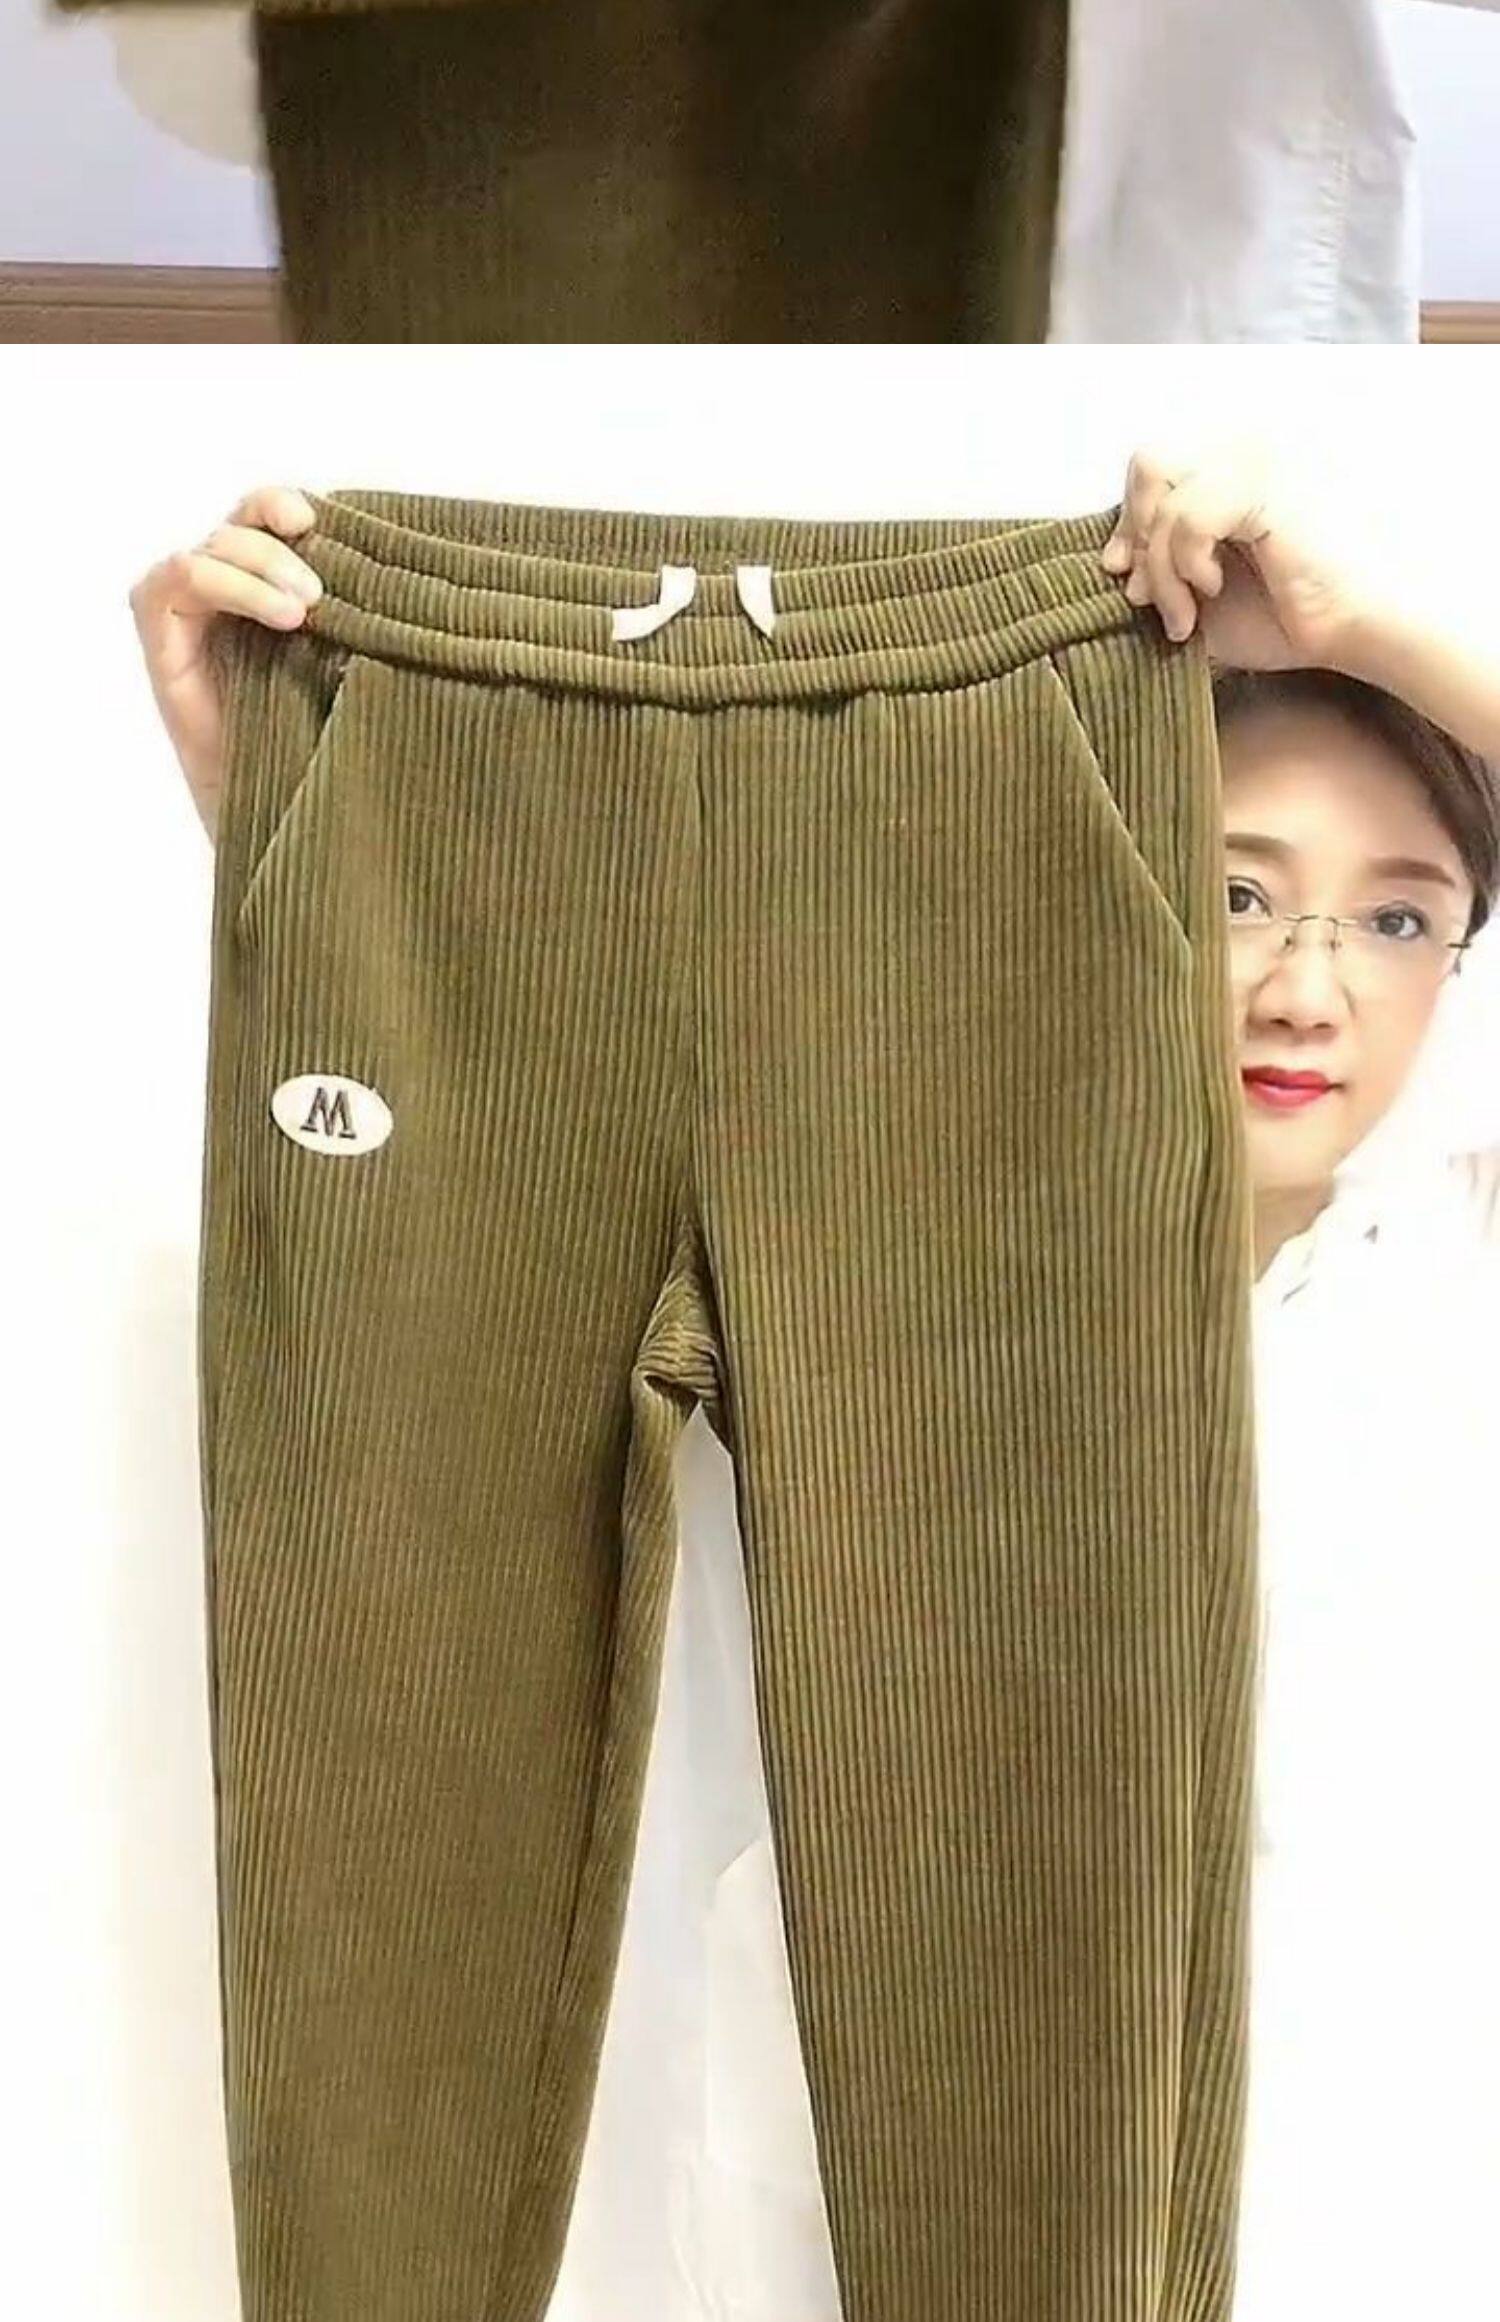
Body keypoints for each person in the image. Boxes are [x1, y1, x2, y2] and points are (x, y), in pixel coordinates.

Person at [130, 444, 1500, 2321]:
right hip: (774, 2218)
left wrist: (1388, 637)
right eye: (1237, 890)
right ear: (1117, 900)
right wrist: (345, 834)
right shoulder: (925, 1185)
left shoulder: (1457, 1257)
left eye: (1403, 915)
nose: (1304, 987)